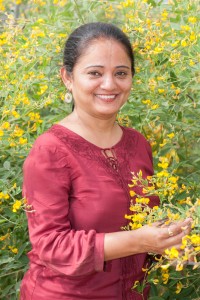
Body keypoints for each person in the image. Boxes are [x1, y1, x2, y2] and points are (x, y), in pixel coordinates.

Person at [20, 22, 192, 300]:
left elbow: (148, 219)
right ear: (67, 77)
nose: (109, 84)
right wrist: (139, 240)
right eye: (95, 73)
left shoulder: (137, 144)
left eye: (121, 73)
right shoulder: (50, 150)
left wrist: (174, 244)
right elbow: (50, 246)